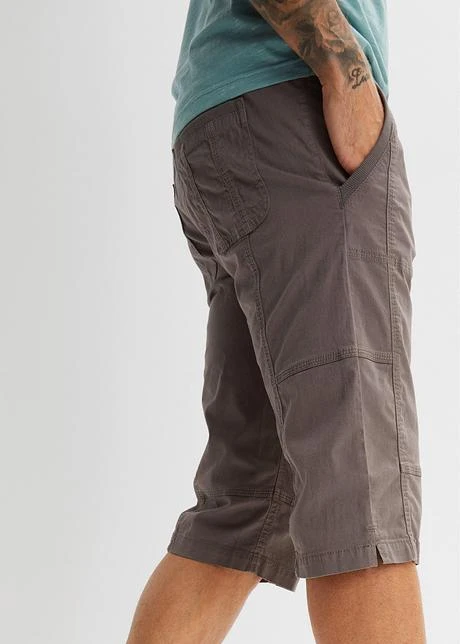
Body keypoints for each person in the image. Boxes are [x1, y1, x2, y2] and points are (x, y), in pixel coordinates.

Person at [127, 1, 426, 642]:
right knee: (359, 485)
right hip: (295, 106)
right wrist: (345, 73)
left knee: (248, 501)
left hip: (231, 122)